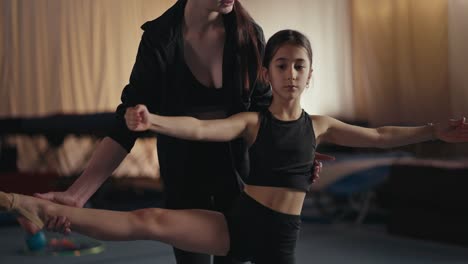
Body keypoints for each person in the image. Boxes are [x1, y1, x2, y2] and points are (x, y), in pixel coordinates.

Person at [2, 29, 468, 263]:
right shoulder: (251, 121)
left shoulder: (320, 126)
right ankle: (35, 207)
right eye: (281, 65)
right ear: (266, 73)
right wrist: (154, 120)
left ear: (311, 74)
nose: (290, 74)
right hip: (239, 220)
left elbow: (381, 137)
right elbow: (203, 129)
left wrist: (433, 130)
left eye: (298, 66)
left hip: (280, 239)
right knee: (148, 220)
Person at [22, 1, 326, 263]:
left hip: (240, 180)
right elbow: (125, 127)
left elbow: (266, 117)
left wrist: (294, 158)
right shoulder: (159, 39)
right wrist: (76, 195)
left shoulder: (249, 35)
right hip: (185, 178)